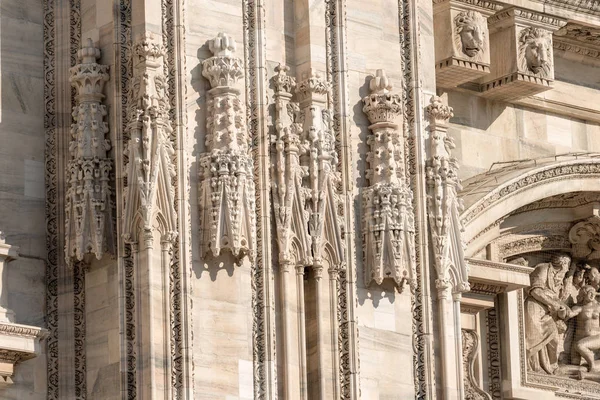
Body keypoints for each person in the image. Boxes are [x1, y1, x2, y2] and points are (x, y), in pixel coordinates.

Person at [525, 254, 573, 374]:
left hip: (548, 313)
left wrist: (562, 310)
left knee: (555, 338)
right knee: (534, 337)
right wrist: (554, 304)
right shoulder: (543, 268)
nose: (567, 269)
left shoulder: (560, 281)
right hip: (535, 307)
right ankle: (531, 366)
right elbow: (535, 291)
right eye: (568, 266)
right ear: (562, 264)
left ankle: (551, 368)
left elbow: (558, 301)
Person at [571, 286, 600, 372]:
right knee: (574, 363)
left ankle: (593, 367)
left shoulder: (598, 307)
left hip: (596, 337)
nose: (592, 295)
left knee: (580, 346)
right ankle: (586, 369)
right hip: (578, 338)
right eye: (590, 292)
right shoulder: (579, 308)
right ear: (584, 294)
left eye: (593, 293)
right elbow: (568, 315)